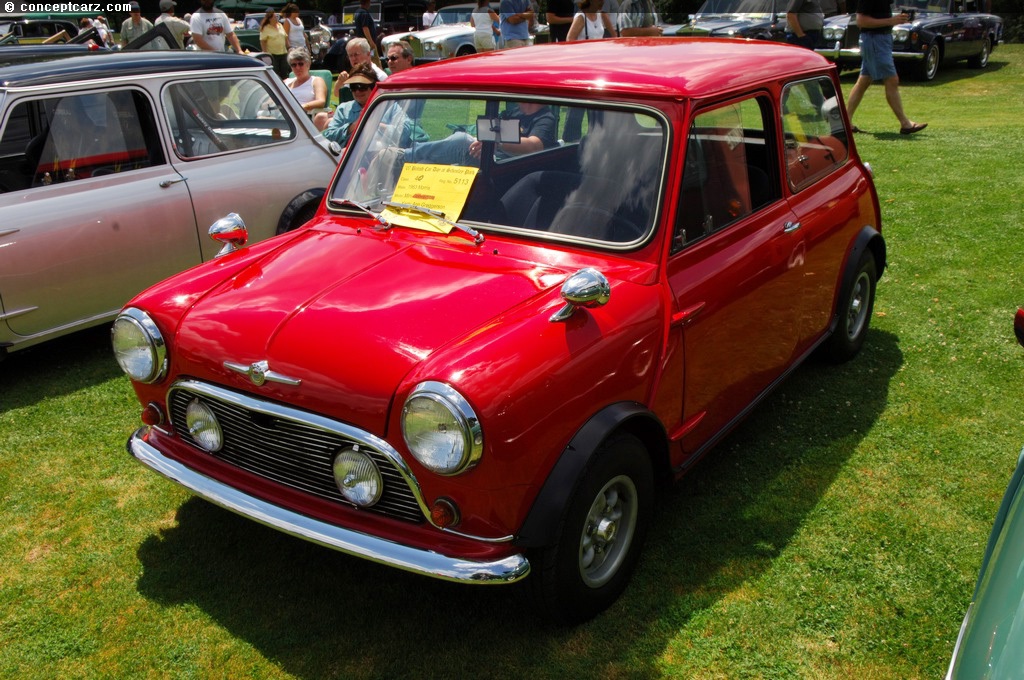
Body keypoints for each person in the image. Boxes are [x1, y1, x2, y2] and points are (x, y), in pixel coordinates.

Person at [844, 0, 927, 135]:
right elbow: (861, 21)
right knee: (891, 80)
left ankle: (846, 123)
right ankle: (905, 124)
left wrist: (897, 19)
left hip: (879, 40)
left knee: (863, 81)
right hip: (875, 40)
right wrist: (891, 21)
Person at [400, 102, 558, 166]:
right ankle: (409, 159)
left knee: (461, 141)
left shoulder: (545, 118)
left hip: (510, 167)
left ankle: (403, 156)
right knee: (427, 164)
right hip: (491, 158)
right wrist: (484, 141)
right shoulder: (515, 112)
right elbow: (491, 130)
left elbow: (534, 145)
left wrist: (495, 143)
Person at [323, 65, 379, 145]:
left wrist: (377, 124)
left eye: (362, 87)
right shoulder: (343, 109)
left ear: (373, 87)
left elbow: (400, 135)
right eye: (353, 87)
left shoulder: (387, 106)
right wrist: (353, 126)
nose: (357, 91)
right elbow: (329, 136)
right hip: (347, 154)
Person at [330, 38, 388, 105]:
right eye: (350, 56)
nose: (353, 58)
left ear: (368, 54)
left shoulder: (380, 76)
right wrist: (340, 82)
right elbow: (337, 94)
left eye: (356, 54)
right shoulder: (353, 74)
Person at [285, 47, 329, 116]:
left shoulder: (316, 81)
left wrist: (300, 107)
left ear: (308, 64)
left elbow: (321, 101)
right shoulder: (286, 82)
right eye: (294, 65)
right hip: (283, 114)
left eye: (300, 64)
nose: (297, 68)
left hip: (302, 116)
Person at [260, 8, 290, 78]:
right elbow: (262, 41)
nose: (276, 18)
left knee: (285, 72)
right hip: (273, 55)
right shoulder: (265, 28)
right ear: (270, 19)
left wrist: (289, 48)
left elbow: (285, 37)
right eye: (274, 17)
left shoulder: (280, 25)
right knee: (275, 74)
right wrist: (266, 54)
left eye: (276, 16)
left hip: (283, 53)